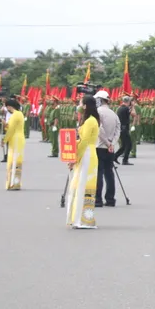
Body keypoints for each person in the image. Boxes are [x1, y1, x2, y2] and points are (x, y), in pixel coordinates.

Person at [67, 96, 101, 229]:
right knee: (79, 184)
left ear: (86, 105)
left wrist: (74, 157)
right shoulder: (87, 120)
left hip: (87, 154)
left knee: (84, 185)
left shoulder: (91, 121)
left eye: (81, 103)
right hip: (85, 152)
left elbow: (85, 141)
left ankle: (84, 219)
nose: (79, 105)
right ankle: (77, 217)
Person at [93, 90, 121, 207]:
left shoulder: (98, 112)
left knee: (99, 173)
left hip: (100, 146)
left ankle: (98, 199)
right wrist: (112, 143)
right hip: (110, 147)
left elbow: (100, 130)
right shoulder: (113, 113)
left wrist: (107, 142)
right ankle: (110, 199)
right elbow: (117, 130)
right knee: (109, 173)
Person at [3, 98, 25, 190]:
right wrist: (6, 126)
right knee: (15, 161)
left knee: (14, 161)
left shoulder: (15, 115)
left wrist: (4, 140)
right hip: (18, 138)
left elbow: (11, 129)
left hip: (15, 139)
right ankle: (15, 182)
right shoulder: (19, 114)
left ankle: (13, 183)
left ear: (9, 106)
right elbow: (11, 127)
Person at [115, 95, 133, 165]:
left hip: (121, 128)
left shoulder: (120, 108)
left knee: (124, 145)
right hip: (124, 128)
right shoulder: (125, 108)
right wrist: (133, 106)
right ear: (128, 101)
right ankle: (125, 160)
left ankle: (115, 156)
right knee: (129, 145)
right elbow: (134, 114)